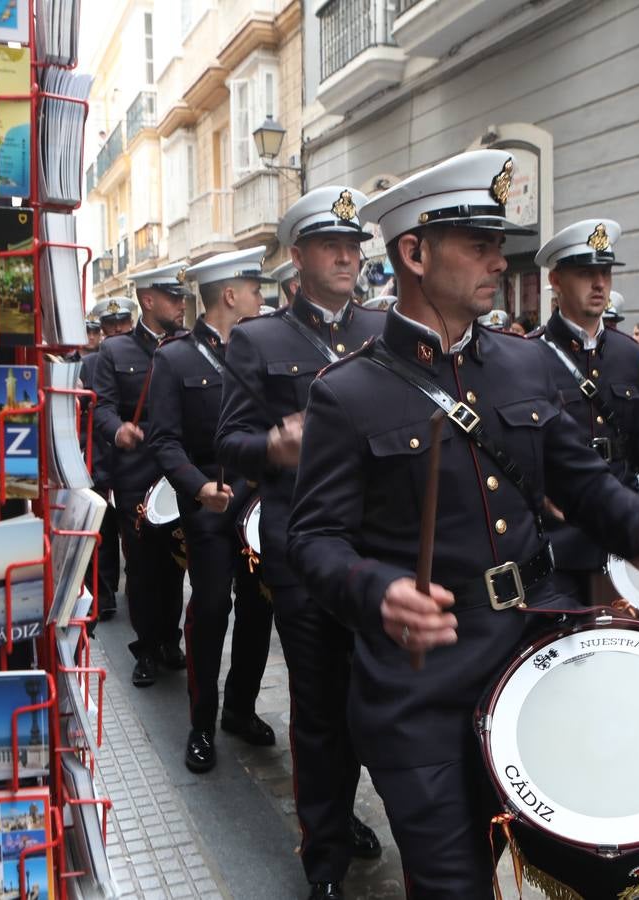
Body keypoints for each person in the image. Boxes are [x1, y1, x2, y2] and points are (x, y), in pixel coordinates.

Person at [287, 149, 639, 897]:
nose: (499, 262)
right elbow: (313, 541)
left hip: (532, 654)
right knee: (450, 883)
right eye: (479, 245)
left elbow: (585, 484)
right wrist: (378, 591)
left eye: (502, 246)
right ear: (414, 253)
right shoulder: (347, 393)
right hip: (418, 690)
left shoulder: (526, 369)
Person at [215, 186, 385, 900]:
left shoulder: (383, 329)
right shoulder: (259, 339)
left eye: (353, 246)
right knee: (318, 709)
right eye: (330, 245)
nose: (347, 257)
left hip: (382, 549)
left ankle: (346, 811)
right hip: (302, 549)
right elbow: (228, 441)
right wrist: (275, 450)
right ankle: (324, 857)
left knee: (379, 697)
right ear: (297, 257)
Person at [147, 248, 277, 774]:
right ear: (230, 295)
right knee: (211, 611)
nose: (260, 299)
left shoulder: (264, 349)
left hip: (258, 505)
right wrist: (200, 489)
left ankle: (240, 710)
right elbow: (164, 440)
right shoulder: (174, 358)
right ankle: (202, 721)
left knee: (258, 610)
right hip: (208, 507)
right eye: (254, 290)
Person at [529, 218, 639, 605]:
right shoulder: (529, 356)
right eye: (586, 273)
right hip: (565, 533)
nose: (599, 284)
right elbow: (519, 448)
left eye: (605, 273)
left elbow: (637, 434)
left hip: (627, 521)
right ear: (555, 280)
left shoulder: (627, 352)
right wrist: (537, 493)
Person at [94, 265, 190, 687]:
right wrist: (119, 430)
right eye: (173, 297)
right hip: (136, 473)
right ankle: (146, 647)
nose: (182, 304)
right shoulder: (114, 353)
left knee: (176, 564)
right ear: (148, 301)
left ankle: (170, 639)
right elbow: (101, 409)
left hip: (180, 472)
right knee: (143, 567)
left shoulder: (189, 347)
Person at [80, 302, 121, 621]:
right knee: (103, 530)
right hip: (100, 455)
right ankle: (104, 594)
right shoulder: (89, 364)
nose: (116, 329)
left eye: (123, 322)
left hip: (134, 458)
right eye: (109, 325)